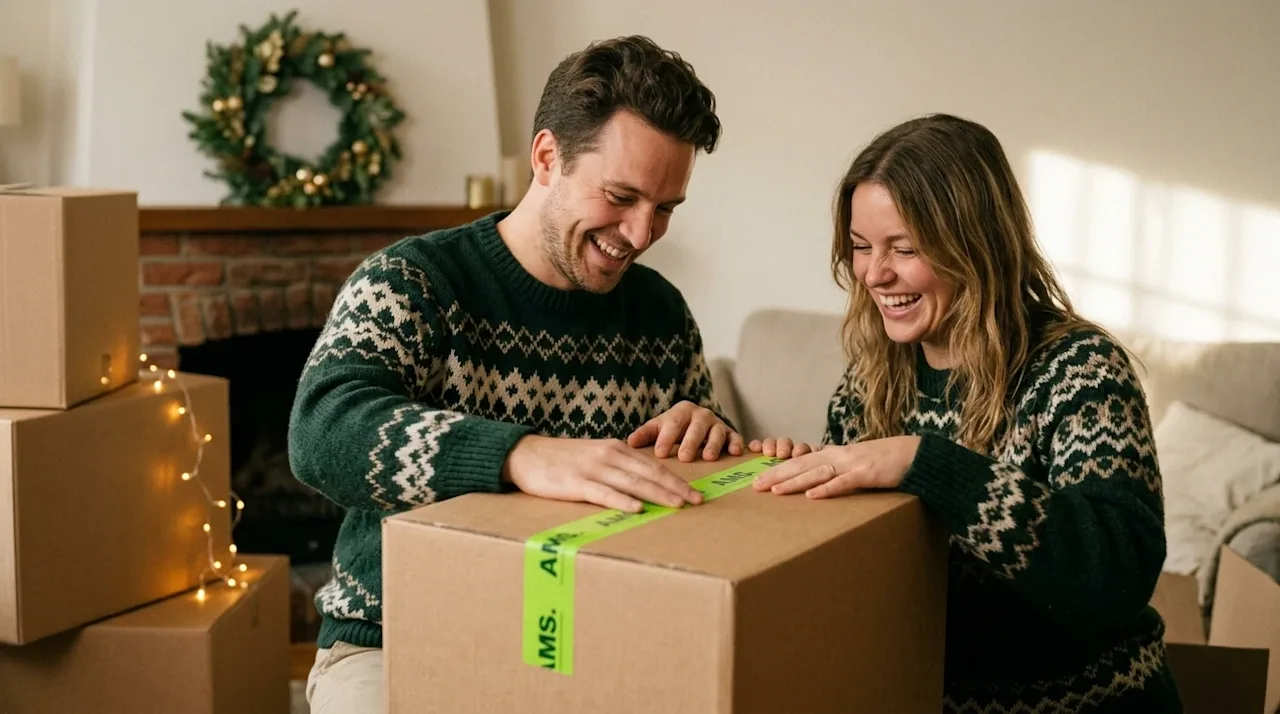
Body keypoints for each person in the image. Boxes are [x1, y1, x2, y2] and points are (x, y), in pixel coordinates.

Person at [289, 35, 742, 713]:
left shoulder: (660, 314)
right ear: (547, 158)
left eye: (666, 207)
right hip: (393, 640)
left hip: (594, 643)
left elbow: (688, 500)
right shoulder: (413, 281)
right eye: (621, 196)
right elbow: (321, 432)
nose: (642, 234)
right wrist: (519, 455)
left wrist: (710, 435)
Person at [749, 114, 1182, 712]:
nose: (875, 273)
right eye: (860, 246)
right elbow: (861, 575)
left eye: (905, 248)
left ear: (975, 244)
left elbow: (1117, 576)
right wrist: (803, 490)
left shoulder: (1080, 369)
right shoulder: (870, 381)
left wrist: (926, 463)